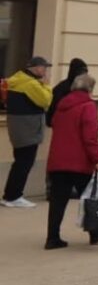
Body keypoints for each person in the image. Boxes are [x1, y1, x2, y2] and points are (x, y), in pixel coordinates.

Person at [44, 74, 98, 248]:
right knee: (89, 198)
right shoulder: (88, 106)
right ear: (90, 89)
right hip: (79, 162)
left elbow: (55, 124)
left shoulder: (61, 106)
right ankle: (96, 232)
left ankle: (52, 238)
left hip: (58, 161)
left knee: (57, 201)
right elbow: (90, 137)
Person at [4, 56, 52, 208]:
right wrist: (46, 86)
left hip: (18, 127)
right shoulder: (30, 83)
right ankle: (14, 196)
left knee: (20, 161)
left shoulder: (17, 79)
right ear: (36, 68)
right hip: (28, 128)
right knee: (24, 162)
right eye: (44, 67)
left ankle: (10, 195)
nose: (45, 70)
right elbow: (45, 101)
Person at [45, 58, 88, 128]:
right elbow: (54, 106)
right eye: (82, 72)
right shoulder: (63, 87)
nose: (83, 76)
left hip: (72, 124)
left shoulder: (82, 87)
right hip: (64, 123)